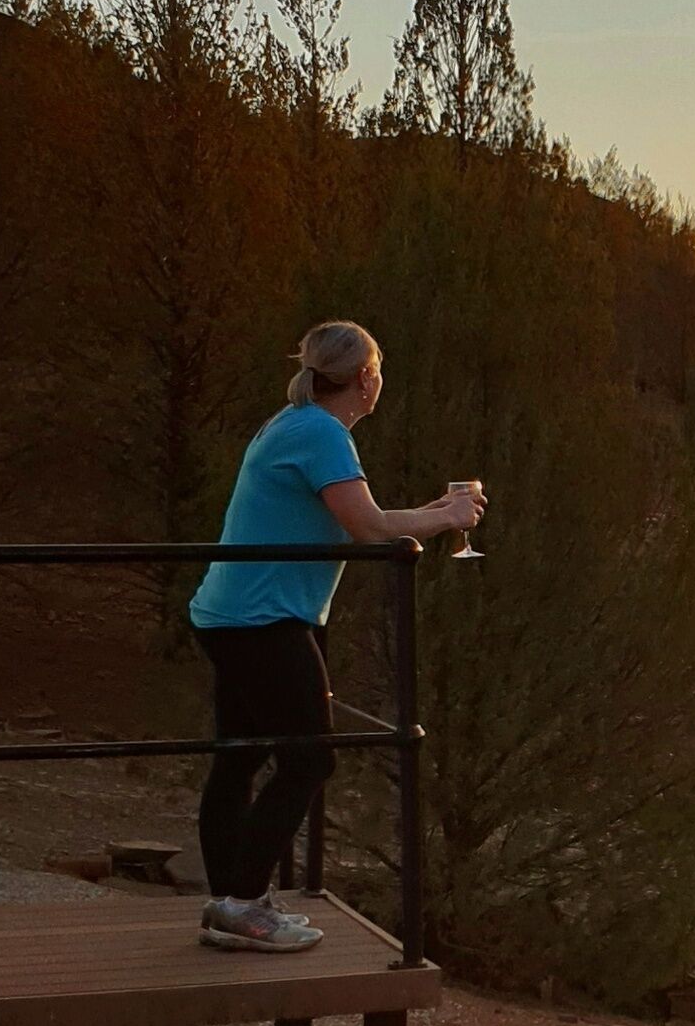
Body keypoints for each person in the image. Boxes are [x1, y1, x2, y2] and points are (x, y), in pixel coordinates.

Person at [186, 323, 483, 953]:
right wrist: (448, 519)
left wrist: (432, 514)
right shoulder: (322, 433)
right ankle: (241, 904)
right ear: (366, 379)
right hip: (265, 620)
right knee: (310, 759)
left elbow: (356, 519)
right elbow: (370, 530)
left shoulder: (292, 423)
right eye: (379, 368)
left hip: (230, 611)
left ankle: (231, 903)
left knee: (238, 758)